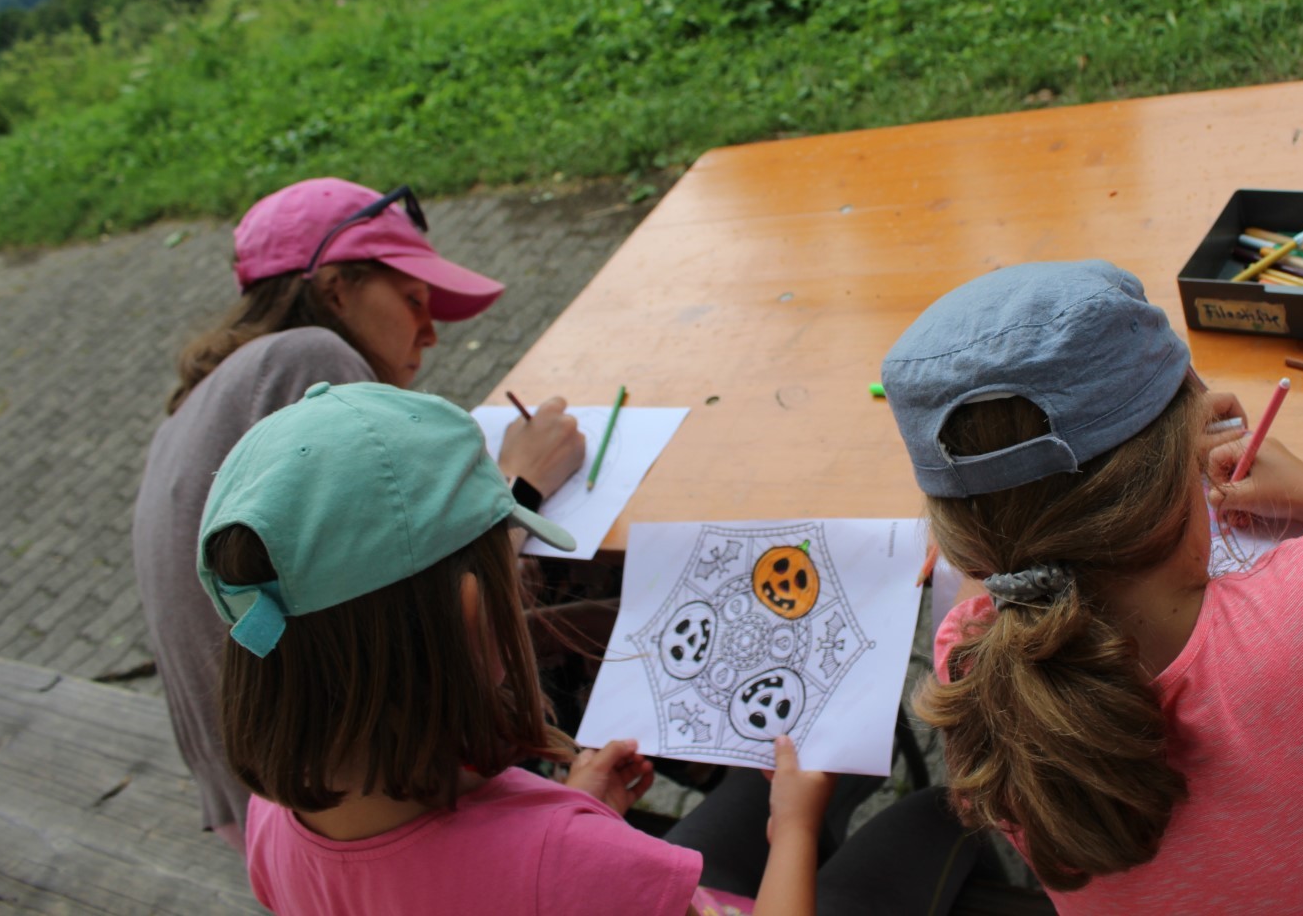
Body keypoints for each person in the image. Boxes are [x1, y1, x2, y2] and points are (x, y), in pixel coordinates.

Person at [879, 260, 1303, 915]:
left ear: (964, 537)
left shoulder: (971, 662)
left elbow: (1003, 563)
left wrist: (1002, 522)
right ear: (1184, 462)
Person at [198, 381, 983, 915]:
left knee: (784, 781)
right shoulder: (573, 863)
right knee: (941, 815)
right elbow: (554, 875)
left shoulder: (275, 818)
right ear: (471, 616)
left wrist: (580, 810)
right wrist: (796, 834)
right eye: (510, 568)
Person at [132, 178, 585, 852]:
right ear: (336, 288)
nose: (431, 334)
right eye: (413, 301)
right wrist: (525, 480)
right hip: (373, 800)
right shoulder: (309, 360)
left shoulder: (191, 410)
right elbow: (415, 592)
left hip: (270, 812)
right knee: (577, 619)